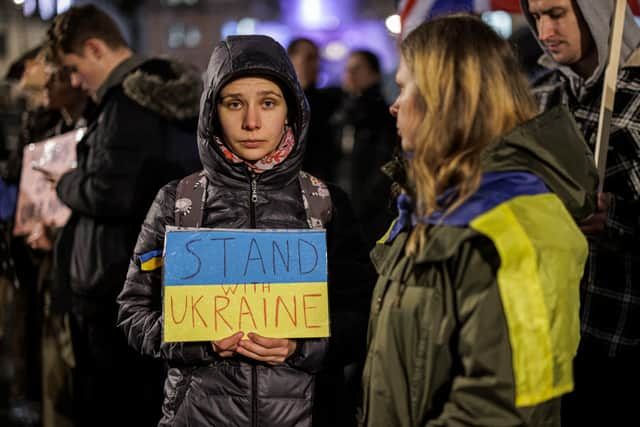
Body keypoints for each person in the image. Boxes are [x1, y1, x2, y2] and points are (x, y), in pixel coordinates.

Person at [117, 34, 374, 427]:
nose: (251, 121)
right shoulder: (179, 200)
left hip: (307, 415)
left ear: (290, 110)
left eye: (268, 103)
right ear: (211, 110)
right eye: (234, 103)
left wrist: (301, 346)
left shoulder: (324, 202)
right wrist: (197, 342)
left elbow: (362, 317)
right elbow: (133, 313)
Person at [359, 15, 598, 426]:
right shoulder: (433, 206)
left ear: (445, 96)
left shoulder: (516, 224)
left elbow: (502, 406)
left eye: (403, 86)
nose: (393, 104)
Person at [46, 5, 202, 426]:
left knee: (114, 403)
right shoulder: (152, 97)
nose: (75, 81)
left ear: (95, 49)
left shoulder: (126, 104)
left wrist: (64, 181)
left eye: (74, 68)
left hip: (113, 286)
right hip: (141, 280)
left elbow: (110, 193)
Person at [520, 1, 640, 424]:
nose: (545, 29)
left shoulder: (636, 98)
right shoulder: (539, 94)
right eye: (535, 17)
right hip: (545, 334)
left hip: (617, 337)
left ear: (596, 12)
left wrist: (619, 218)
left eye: (556, 13)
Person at [330, 50, 397, 249]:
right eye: (348, 68)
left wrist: (365, 202)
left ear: (375, 74)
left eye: (357, 68)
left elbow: (384, 163)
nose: (349, 73)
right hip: (344, 208)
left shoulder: (381, 117)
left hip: (370, 213)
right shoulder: (341, 113)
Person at [287, 37, 342, 182]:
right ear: (290, 60)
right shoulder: (278, 103)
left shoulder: (330, 102)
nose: (313, 65)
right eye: (308, 58)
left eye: (315, 58)